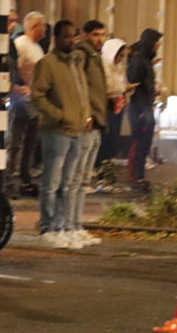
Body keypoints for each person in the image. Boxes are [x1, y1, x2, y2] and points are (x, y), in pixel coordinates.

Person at [32, 20, 91, 249]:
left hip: (76, 130)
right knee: (52, 182)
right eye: (66, 36)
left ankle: (64, 225)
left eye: (73, 36)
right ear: (56, 37)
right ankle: (49, 226)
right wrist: (59, 115)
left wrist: (84, 115)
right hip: (56, 131)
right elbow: (38, 95)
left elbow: (81, 92)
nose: (71, 40)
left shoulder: (75, 63)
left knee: (67, 183)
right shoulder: (47, 64)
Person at [67, 20, 108, 247]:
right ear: (84, 35)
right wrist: (86, 114)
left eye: (102, 35)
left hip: (97, 121)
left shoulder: (94, 55)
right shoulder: (83, 54)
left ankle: (75, 224)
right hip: (87, 123)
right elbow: (79, 86)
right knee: (75, 178)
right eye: (95, 34)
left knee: (83, 179)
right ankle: (68, 225)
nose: (99, 39)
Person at [9, 12, 46, 196]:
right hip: (22, 100)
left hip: (34, 100)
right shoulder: (21, 45)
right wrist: (23, 87)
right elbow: (17, 69)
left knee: (30, 141)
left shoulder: (36, 47)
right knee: (16, 141)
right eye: (42, 25)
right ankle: (10, 178)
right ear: (33, 27)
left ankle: (25, 177)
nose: (45, 29)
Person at [127, 28, 162, 192]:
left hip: (146, 106)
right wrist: (139, 107)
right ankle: (135, 177)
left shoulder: (145, 60)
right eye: (156, 41)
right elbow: (133, 84)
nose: (158, 45)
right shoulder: (139, 60)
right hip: (140, 108)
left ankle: (139, 177)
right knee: (139, 143)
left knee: (144, 145)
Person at [97, 38, 132, 165]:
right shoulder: (104, 64)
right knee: (106, 139)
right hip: (106, 106)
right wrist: (124, 87)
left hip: (117, 105)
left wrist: (124, 88)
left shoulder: (118, 66)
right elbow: (108, 86)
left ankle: (108, 168)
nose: (121, 59)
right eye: (120, 55)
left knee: (114, 138)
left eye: (123, 56)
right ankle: (101, 169)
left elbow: (120, 82)